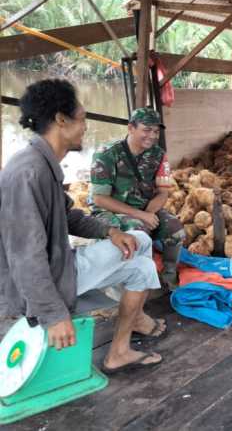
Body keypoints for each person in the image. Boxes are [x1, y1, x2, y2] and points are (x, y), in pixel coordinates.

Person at [0, 79, 165, 375]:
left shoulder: (41, 163)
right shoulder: (29, 172)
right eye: (82, 119)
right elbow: (26, 257)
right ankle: (136, 321)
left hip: (60, 266)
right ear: (61, 120)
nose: (86, 126)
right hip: (42, 284)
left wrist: (110, 232)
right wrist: (53, 315)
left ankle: (118, 352)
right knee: (141, 241)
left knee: (141, 268)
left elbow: (69, 216)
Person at [89, 108, 185, 290]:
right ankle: (129, 282)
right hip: (110, 210)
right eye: (146, 130)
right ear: (130, 128)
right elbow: (100, 199)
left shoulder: (158, 155)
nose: (152, 136)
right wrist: (140, 215)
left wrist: (148, 213)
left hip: (143, 209)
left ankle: (169, 273)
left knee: (176, 230)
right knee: (138, 233)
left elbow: (162, 193)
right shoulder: (107, 154)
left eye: (156, 131)